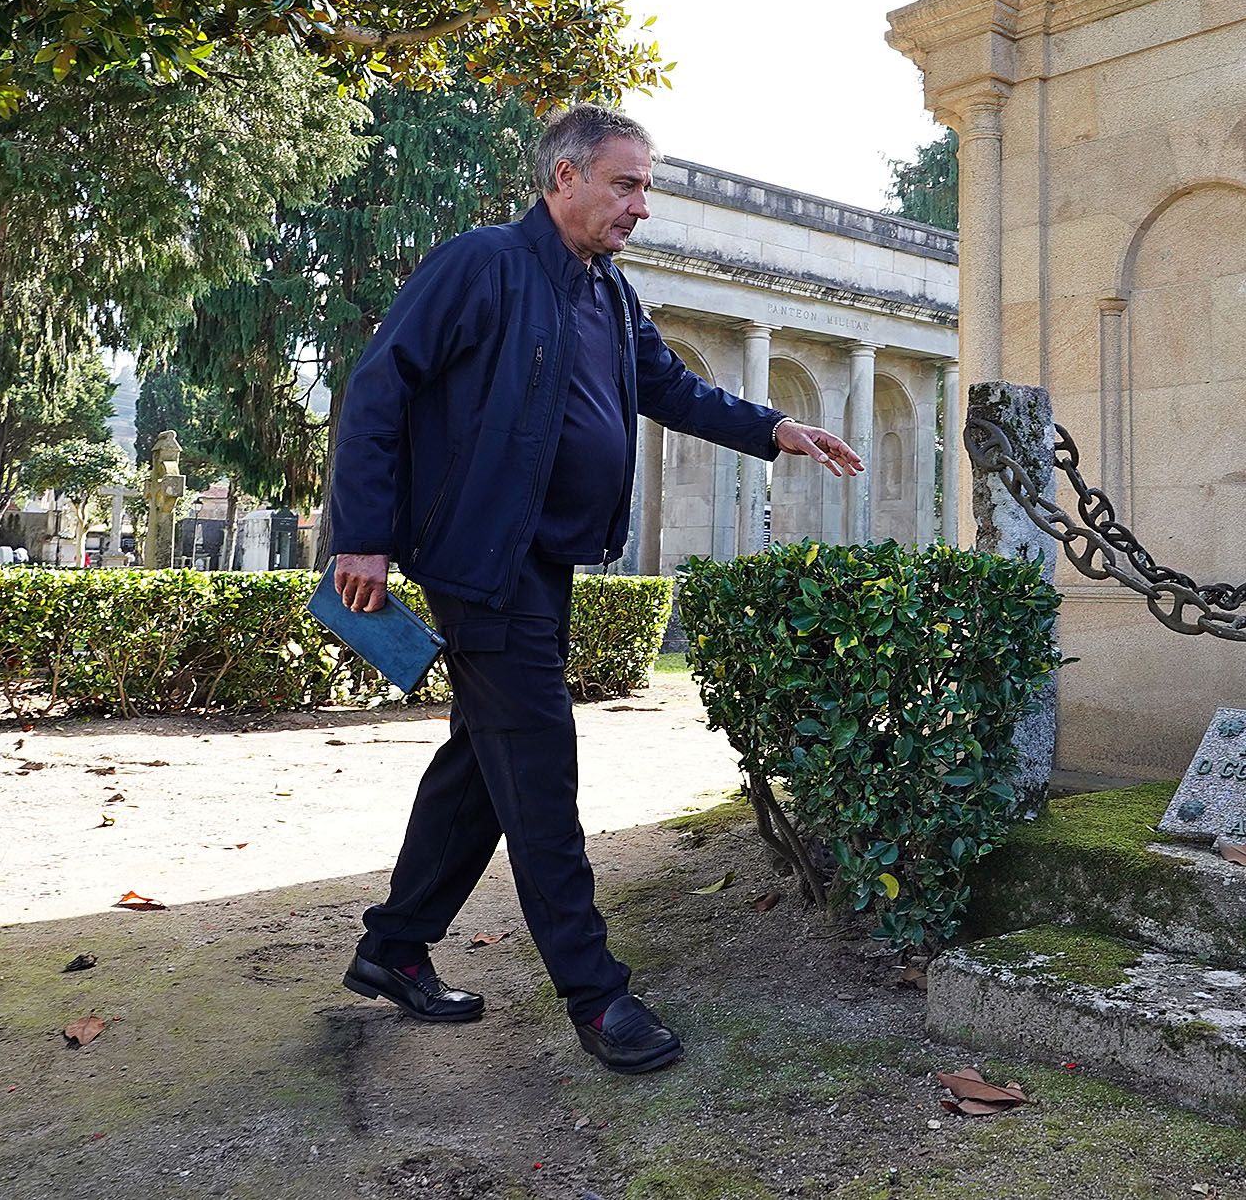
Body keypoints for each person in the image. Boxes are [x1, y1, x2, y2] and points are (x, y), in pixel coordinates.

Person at [323, 104, 863, 1075]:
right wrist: (359, 538)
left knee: (483, 762)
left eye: (645, 187)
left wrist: (777, 428)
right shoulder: (479, 265)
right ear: (563, 178)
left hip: (541, 564)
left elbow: (672, 388)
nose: (641, 206)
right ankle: (595, 995)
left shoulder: (607, 296)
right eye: (626, 184)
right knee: (538, 768)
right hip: (478, 563)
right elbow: (379, 387)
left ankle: (394, 945)